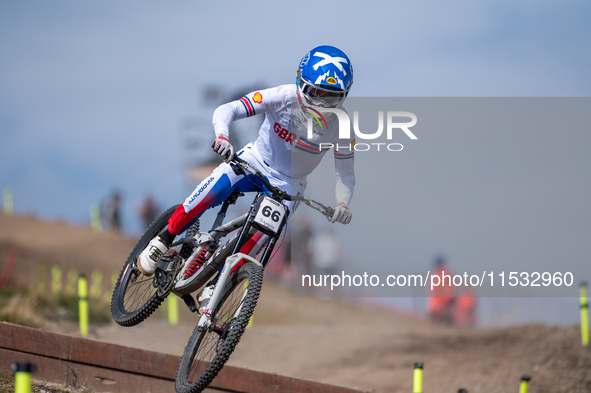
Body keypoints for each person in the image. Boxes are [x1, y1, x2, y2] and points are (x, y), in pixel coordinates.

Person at [136, 45, 356, 290]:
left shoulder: (343, 125)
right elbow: (227, 109)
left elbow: (345, 172)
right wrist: (223, 137)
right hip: (254, 161)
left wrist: (342, 203)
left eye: (332, 97)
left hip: (289, 185)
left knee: (253, 248)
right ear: (300, 83)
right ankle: (163, 240)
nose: (322, 103)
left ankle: (218, 287)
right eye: (316, 92)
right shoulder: (282, 96)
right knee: (207, 196)